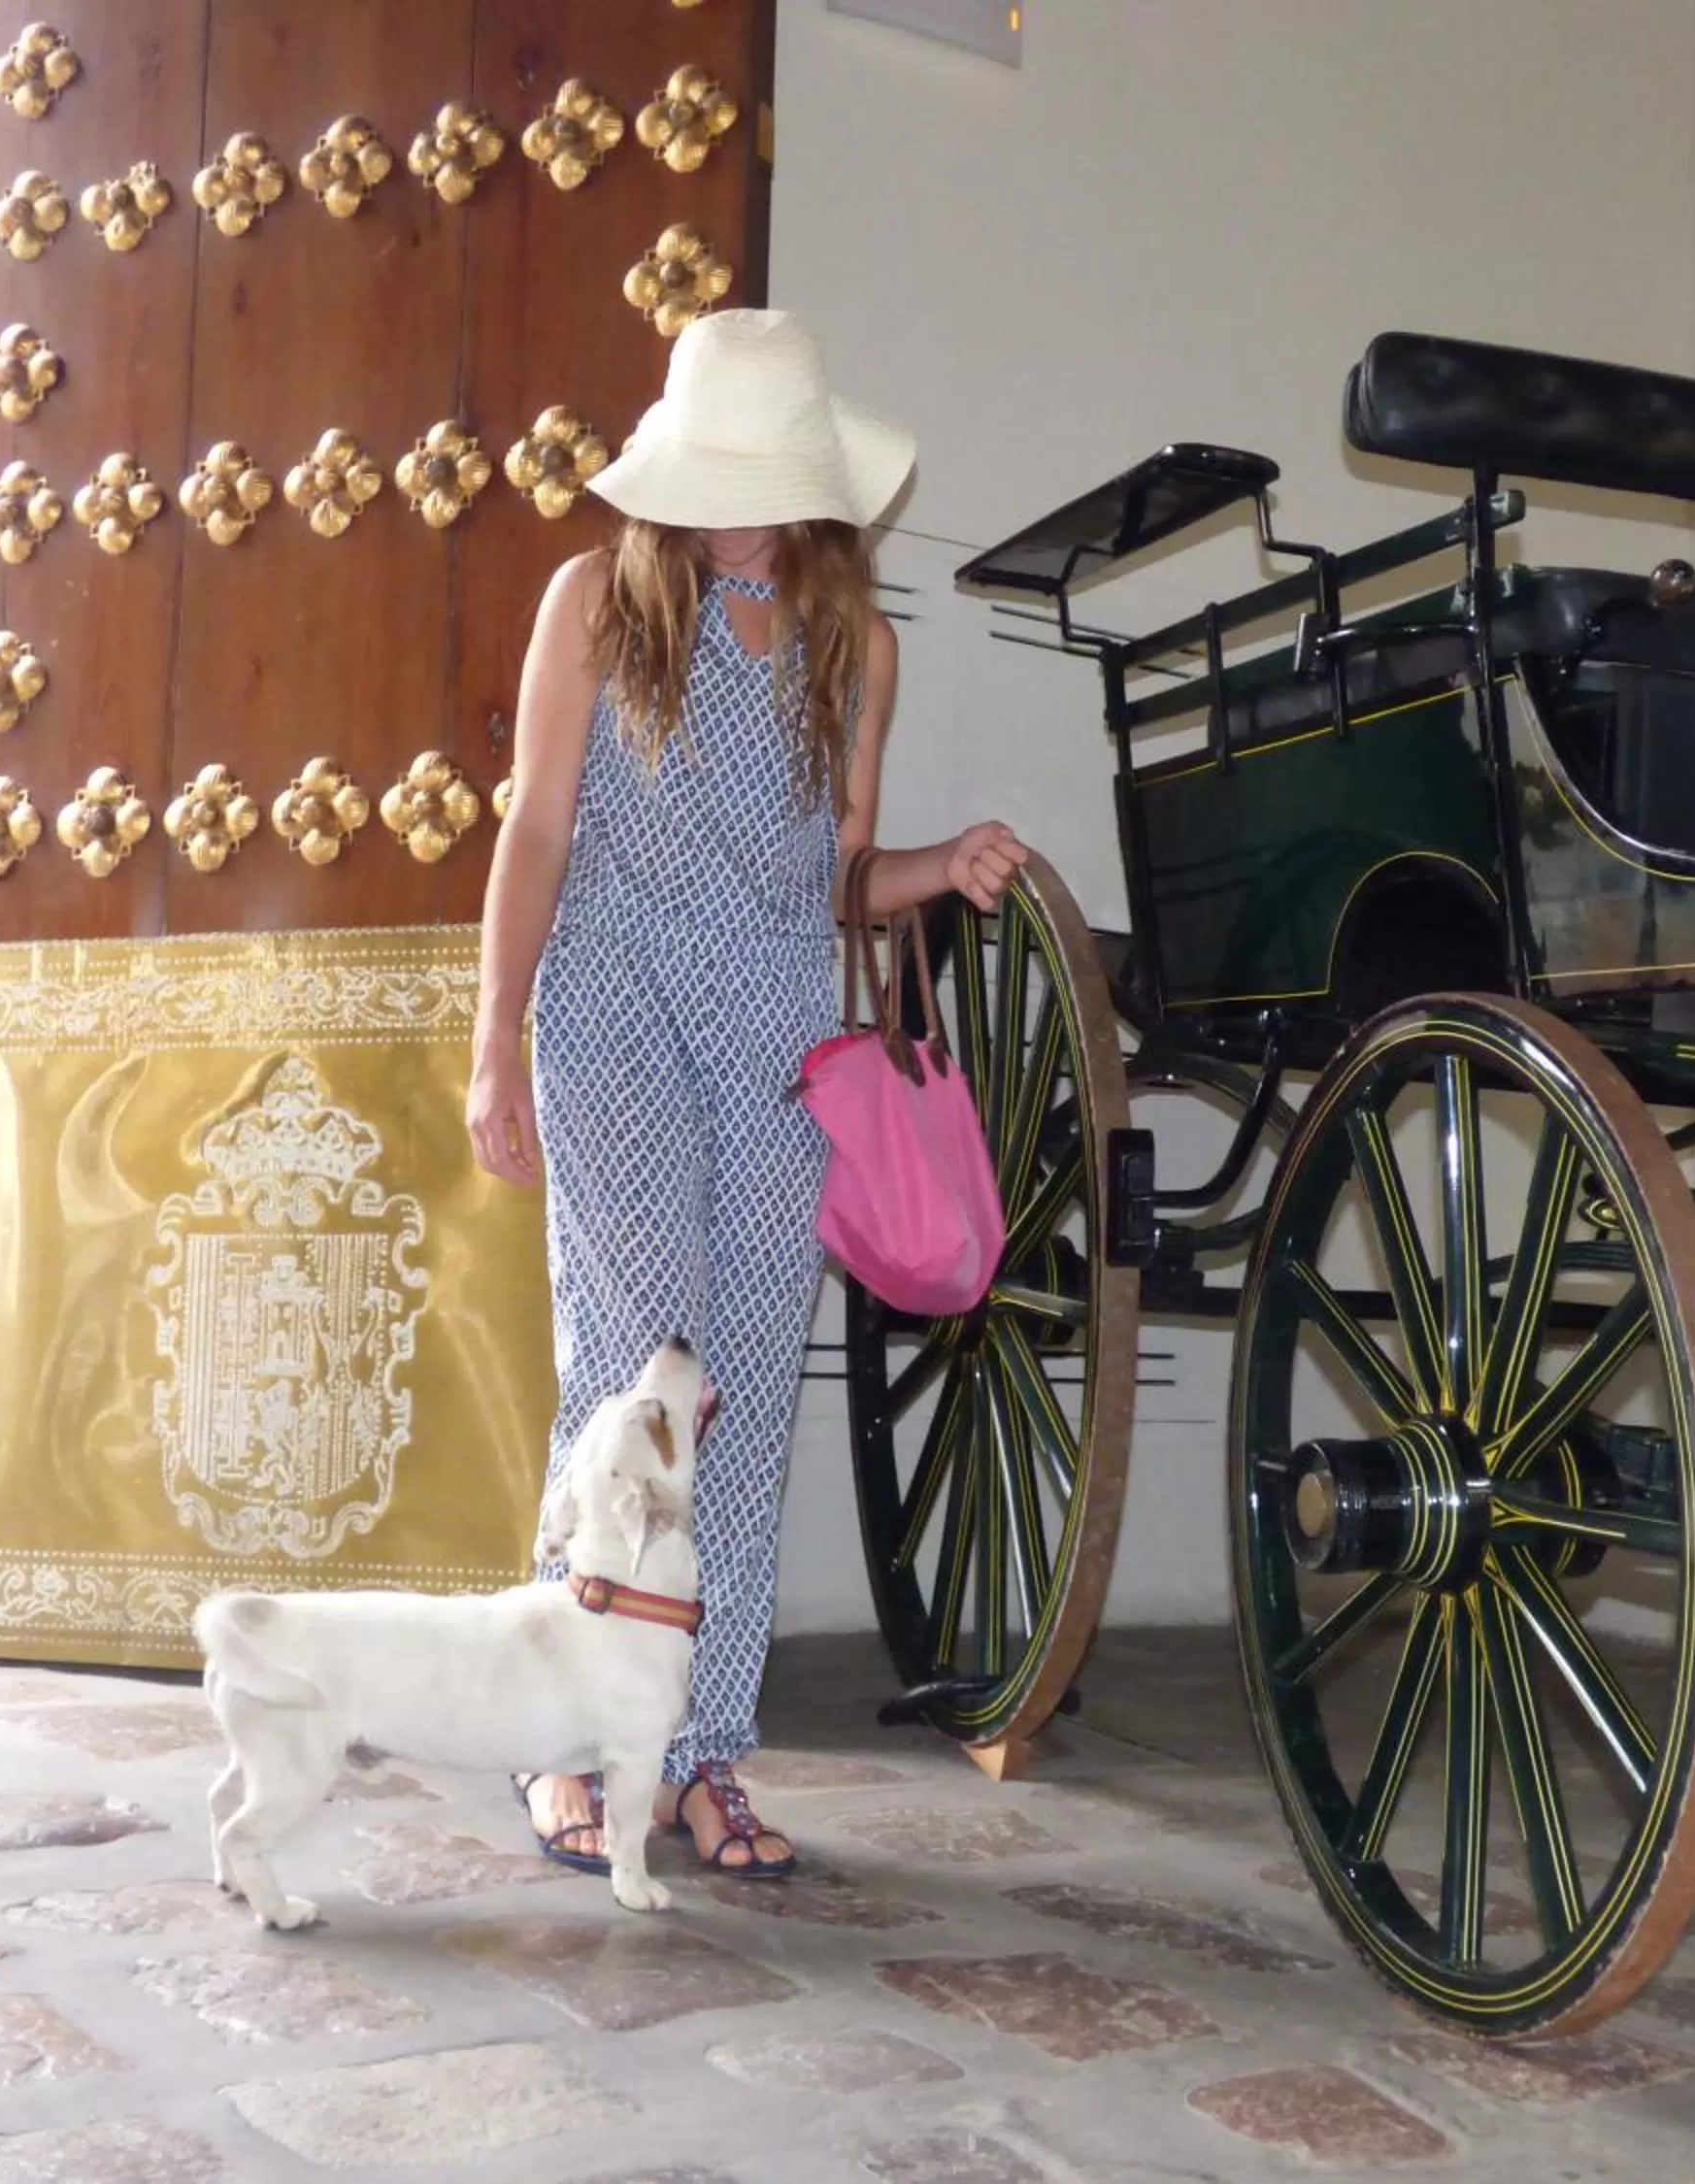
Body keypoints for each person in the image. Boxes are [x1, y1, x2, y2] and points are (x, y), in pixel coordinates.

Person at [466, 309, 1027, 1877]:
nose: (745, 508)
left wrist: (943, 867)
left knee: (753, 1388)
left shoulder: (861, 644)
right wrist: (492, 1032)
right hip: (615, 1002)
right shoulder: (597, 602)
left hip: (776, 1022)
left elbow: (843, 871)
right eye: (722, 473)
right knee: (633, 1364)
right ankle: (569, 1739)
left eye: (772, 478)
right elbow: (536, 829)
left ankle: (702, 1747)